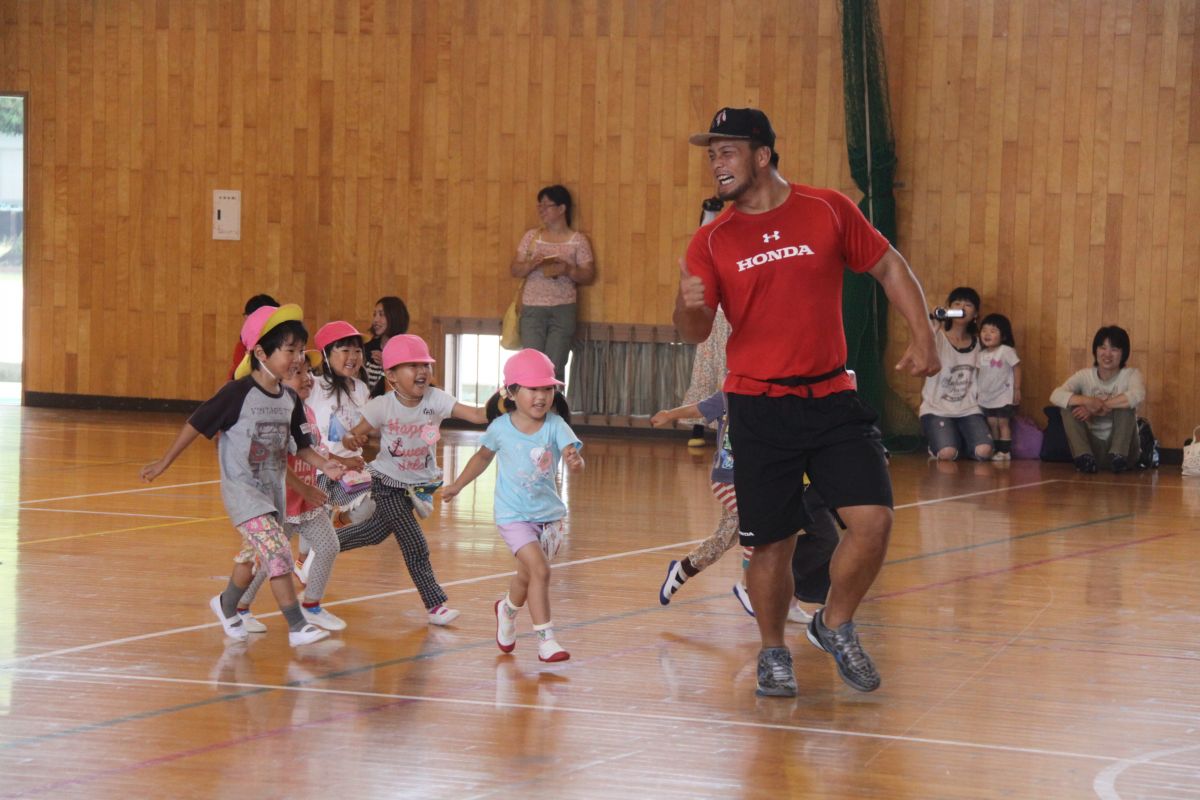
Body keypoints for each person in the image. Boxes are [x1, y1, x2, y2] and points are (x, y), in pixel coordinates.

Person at [674, 107, 940, 697]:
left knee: (873, 522)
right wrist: (688, 302)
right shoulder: (711, 239)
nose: (716, 161)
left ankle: (834, 623)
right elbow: (693, 330)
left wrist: (924, 334)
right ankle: (773, 652)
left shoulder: (827, 209)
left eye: (727, 150)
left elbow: (889, 266)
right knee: (771, 543)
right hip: (757, 407)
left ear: (762, 155)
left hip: (831, 399)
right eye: (711, 152)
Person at [140, 304, 346, 647]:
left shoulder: (289, 398)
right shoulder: (237, 393)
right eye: (289, 350)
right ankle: (297, 626)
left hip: (272, 495)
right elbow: (196, 423)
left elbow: (300, 446)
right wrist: (165, 462)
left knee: (250, 559)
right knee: (278, 552)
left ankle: (226, 604)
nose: (297, 359)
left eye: (300, 351)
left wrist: (326, 466)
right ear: (261, 352)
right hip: (243, 493)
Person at [442, 349, 584, 662]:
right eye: (534, 389)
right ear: (512, 391)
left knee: (526, 576)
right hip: (513, 516)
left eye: (548, 389)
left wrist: (575, 461)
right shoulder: (500, 428)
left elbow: (575, 457)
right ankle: (546, 640)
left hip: (550, 519)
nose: (542, 396)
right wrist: (456, 485)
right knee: (540, 570)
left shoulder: (556, 425)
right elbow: (481, 458)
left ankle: (506, 610)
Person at [652, 391, 839, 624]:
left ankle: (682, 570)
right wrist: (669, 415)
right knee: (759, 525)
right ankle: (747, 586)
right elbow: (697, 409)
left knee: (724, 538)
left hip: (751, 481)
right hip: (726, 479)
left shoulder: (768, 400)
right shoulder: (729, 396)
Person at [338, 334, 488, 625]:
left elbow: (477, 414)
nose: (422, 372)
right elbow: (350, 434)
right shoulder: (382, 406)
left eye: (425, 365)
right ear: (391, 375)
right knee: (414, 543)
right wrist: (353, 437)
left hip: (417, 488)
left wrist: (506, 401)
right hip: (387, 484)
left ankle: (326, 545)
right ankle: (435, 605)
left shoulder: (436, 400)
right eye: (412, 366)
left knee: (373, 533)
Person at [235, 350, 364, 633]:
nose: (307, 378)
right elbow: (276, 464)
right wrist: (304, 489)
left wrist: (339, 463)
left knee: (329, 546)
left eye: (307, 372)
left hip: (306, 500)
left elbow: (315, 449)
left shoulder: (307, 410)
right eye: (298, 373)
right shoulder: (276, 416)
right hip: (282, 503)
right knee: (270, 561)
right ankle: (239, 607)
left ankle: (312, 606)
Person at [510, 185, 596, 382]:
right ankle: (531, 409)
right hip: (532, 307)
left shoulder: (578, 240)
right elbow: (514, 269)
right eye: (540, 206)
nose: (541, 210)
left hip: (563, 308)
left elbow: (588, 274)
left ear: (562, 208)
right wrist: (532, 264)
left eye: (547, 206)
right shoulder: (531, 237)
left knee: (555, 366)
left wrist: (568, 270)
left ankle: (554, 410)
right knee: (531, 364)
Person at [1049, 325, 1145, 473]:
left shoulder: (1131, 374)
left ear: (1123, 353)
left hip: (1126, 450)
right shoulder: (1084, 375)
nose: (1107, 354)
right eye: (1102, 347)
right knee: (1067, 406)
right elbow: (1055, 395)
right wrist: (1088, 401)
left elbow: (1137, 395)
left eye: (1114, 349)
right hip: (1093, 448)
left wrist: (1096, 408)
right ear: (1095, 351)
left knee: (1126, 405)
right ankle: (1084, 457)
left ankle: (1118, 456)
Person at [307, 320, 375, 525]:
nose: (353, 356)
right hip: (321, 471)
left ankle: (341, 520)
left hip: (353, 471)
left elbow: (366, 425)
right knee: (310, 541)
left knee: (371, 504)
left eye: (357, 350)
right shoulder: (314, 386)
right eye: (345, 349)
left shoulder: (361, 388)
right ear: (326, 354)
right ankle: (302, 558)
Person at [918, 287, 994, 461]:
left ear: (975, 313)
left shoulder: (979, 343)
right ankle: (941, 443)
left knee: (983, 452)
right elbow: (920, 353)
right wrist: (935, 327)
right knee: (947, 454)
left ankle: (962, 439)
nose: (962, 308)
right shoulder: (939, 337)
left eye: (968, 305)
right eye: (957, 304)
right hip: (936, 409)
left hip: (969, 409)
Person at [976, 313, 1022, 460]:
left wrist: (1017, 388)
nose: (987, 334)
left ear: (1003, 336)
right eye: (984, 330)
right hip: (986, 395)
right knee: (991, 422)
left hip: (1003, 394)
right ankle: (996, 450)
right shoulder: (981, 354)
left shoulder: (1006, 351)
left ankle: (1005, 452)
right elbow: (978, 374)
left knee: (1002, 422)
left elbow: (1017, 368)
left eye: (993, 331)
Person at [363, 296, 410, 393]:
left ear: (394, 317)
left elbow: (411, 386)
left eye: (381, 314)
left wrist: (387, 365)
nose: (375, 320)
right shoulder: (366, 349)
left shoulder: (408, 351)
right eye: (374, 315)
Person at [227, 294, 279, 379]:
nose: (246, 325)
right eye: (246, 320)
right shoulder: (242, 348)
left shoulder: (284, 343)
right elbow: (236, 380)